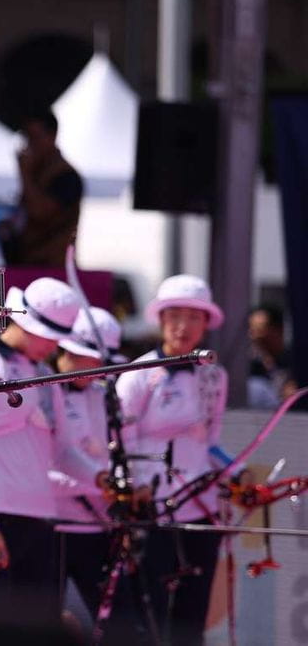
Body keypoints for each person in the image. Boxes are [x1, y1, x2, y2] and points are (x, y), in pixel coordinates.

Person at [0, 277, 80, 627]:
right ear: (24, 322)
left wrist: (103, 478)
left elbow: (64, 451)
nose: (55, 346)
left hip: (40, 522)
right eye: (49, 335)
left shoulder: (44, 374)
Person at [115, 274, 230, 645]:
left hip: (200, 506)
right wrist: (134, 490)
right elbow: (121, 443)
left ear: (206, 324)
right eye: (175, 316)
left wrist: (237, 472)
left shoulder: (215, 375)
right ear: (161, 321)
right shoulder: (138, 375)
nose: (184, 326)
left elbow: (211, 443)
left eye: (194, 317)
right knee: (150, 609)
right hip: (153, 507)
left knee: (192, 612)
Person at [49, 306, 136, 637]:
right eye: (88, 357)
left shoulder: (105, 397)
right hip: (51, 528)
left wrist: (124, 485)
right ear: (66, 350)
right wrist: (97, 483)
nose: (96, 367)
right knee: (42, 626)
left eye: (100, 360)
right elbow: (40, 468)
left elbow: (115, 456)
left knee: (122, 625)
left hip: (98, 528)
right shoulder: (44, 391)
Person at [0, 111, 83, 268]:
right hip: (29, 265)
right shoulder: (37, 174)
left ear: (52, 136)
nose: (29, 145)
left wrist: (24, 173)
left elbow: (40, 212)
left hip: (54, 268)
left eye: (34, 137)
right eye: (27, 138)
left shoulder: (66, 176)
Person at [247, 303, 296, 408]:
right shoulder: (250, 365)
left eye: (260, 330)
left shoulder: (296, 363)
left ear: (279, 330)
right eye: (251, 330)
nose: (254, 336)